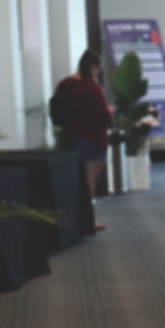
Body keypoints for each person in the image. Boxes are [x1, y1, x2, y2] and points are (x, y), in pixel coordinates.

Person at [50, 49, 111, 232]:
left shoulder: (64, 84)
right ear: (93, 67)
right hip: (94, 139)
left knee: (75, 182)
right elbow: (103, 115)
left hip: (71, 138)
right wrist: (110, 111)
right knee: (89, 183)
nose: (98, 72)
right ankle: (86, 222)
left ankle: (72, 221)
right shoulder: (92, 87)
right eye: (98, 69)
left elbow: (57, 108)